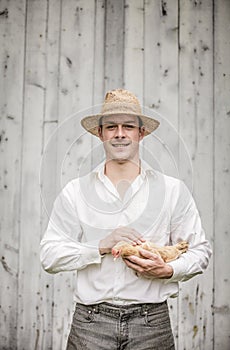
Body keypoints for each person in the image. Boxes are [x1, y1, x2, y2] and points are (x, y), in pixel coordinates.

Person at [40, 89, 212, 350]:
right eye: (111, 126)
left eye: (128, 126)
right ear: (100, 133)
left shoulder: (172, 190)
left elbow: (199, 251)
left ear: (141, 133)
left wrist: (168, 270)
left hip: (152, 322)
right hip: (90, 323)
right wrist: (101, 245)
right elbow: (49, 256)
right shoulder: (75, 192)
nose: (120, 133)